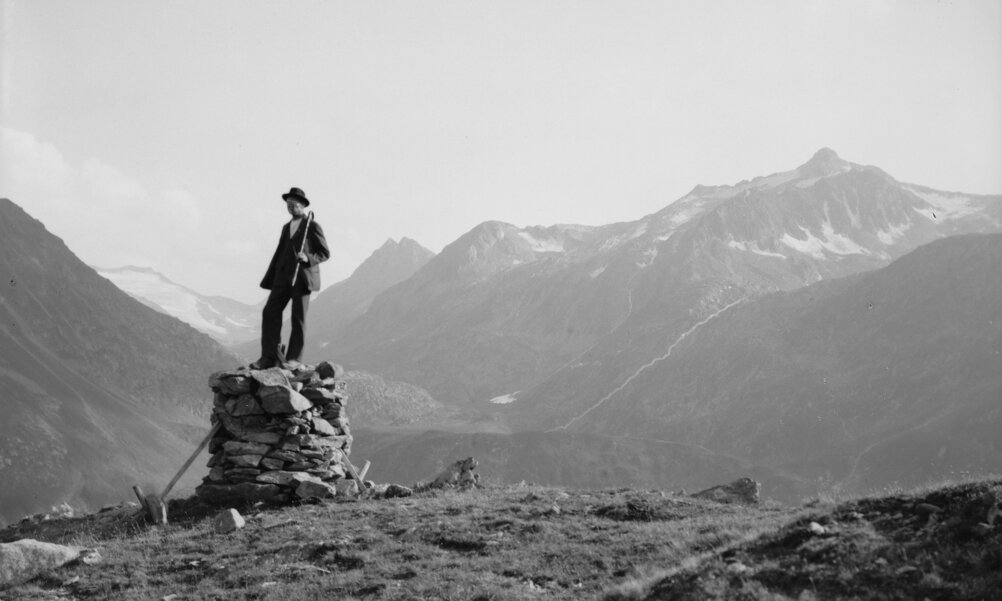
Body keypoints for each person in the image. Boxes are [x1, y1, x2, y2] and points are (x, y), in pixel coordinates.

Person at [250, 187, 330, 370]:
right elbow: (280, 252)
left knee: (298, 317)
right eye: (288, 204)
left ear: (303, 205)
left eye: (294, 203)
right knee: (269, 312)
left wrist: (307, 258)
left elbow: (325, 253)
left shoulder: (312, 226)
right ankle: (269, 357)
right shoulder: (286, 227)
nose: (291, 206)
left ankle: (294, 358)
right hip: (282, 277)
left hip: (302, 278)